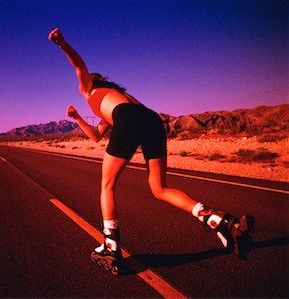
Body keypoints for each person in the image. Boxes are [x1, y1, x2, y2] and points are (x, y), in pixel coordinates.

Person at [48, 28, 255, 270]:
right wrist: (78, 119)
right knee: (159, 188)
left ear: (93, 81)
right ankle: (219, 220)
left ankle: (111, 246)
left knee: (107, 185)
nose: (83, 85)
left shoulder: (89, 90)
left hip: (128, 118)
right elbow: (95, 136)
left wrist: (62, 44)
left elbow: (79, 65)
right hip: (151, 119)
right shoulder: (117, 98)